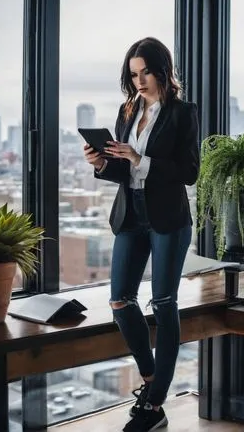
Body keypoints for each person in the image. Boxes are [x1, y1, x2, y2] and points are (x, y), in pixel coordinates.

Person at [83, 36, 200, 432]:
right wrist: (102, 163)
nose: (139, 81)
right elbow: (123, 172)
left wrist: (140, 158)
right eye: (133, 74)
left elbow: (189, 172)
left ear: (162, 69)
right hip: (131, 214)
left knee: (164, 303)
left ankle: (153, 404)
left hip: (168, 217)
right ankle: (152, 381)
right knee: (119, 301)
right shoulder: (128, 110)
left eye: (145, 72)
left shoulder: (183, 113)